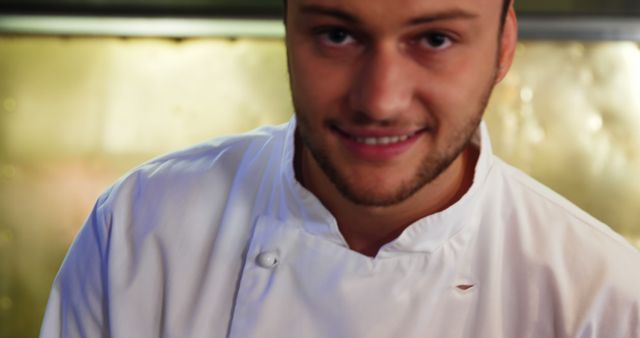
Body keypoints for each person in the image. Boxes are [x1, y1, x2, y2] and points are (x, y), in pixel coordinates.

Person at [40, 0, 640, 337]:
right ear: (287, 29)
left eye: (433, 39)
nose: (379, 100)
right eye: (336, 35)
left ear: (504, 46)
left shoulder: (603, 299)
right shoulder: (141, 231)